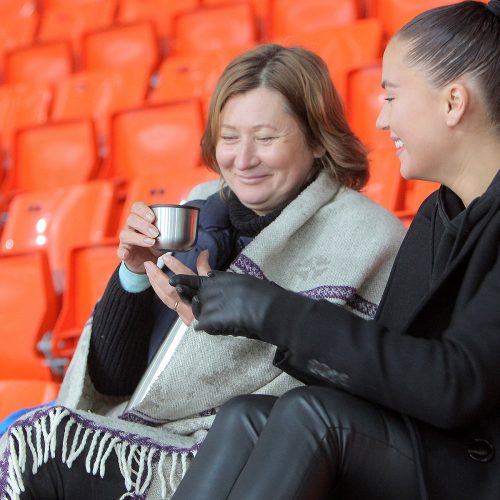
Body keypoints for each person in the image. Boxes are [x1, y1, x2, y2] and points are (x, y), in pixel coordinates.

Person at [0, 45, 405, 498]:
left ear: (316, 139)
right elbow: (116, 383)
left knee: (33, 445)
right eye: (229, 137)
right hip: (156, 440)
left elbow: (361, 392)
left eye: (266, 138)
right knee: (18, 431)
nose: (243, 159)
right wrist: (133, 273)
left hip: (248, 458)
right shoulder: (199, 211)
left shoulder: (367, 237)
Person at [168, 2, 500, 499]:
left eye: (391, 97)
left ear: (453, 102)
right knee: (246, 413)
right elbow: (390, 368)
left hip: (481, 467)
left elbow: (455, 386)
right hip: (426, 444)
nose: (383, 120)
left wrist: (274, 310)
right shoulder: (437, 216)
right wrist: (251, 313)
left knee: (313, 415)